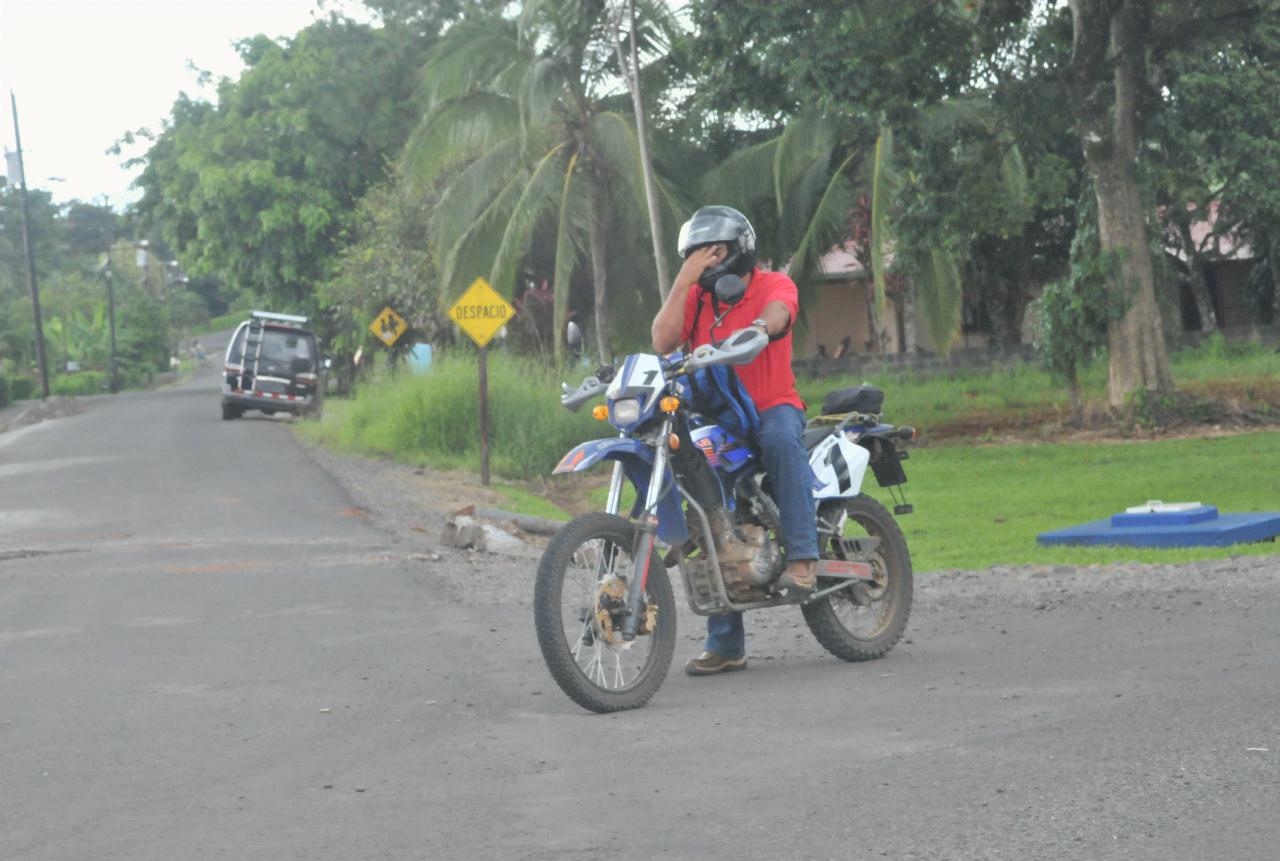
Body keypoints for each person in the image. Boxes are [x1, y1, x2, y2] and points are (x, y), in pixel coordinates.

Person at [650, 205, 818, 677]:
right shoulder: (700, 301)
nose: (706, 260)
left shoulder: (772, 284)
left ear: (736, 252)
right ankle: (726, 644)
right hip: (720, 416)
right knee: (708, 506)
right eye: (696, 254)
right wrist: (684, 279)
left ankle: (804, 556)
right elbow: (662, 340)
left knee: (783, 441)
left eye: (712, 253)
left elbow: (780, 312)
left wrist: (762, 329)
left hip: (771, 405)